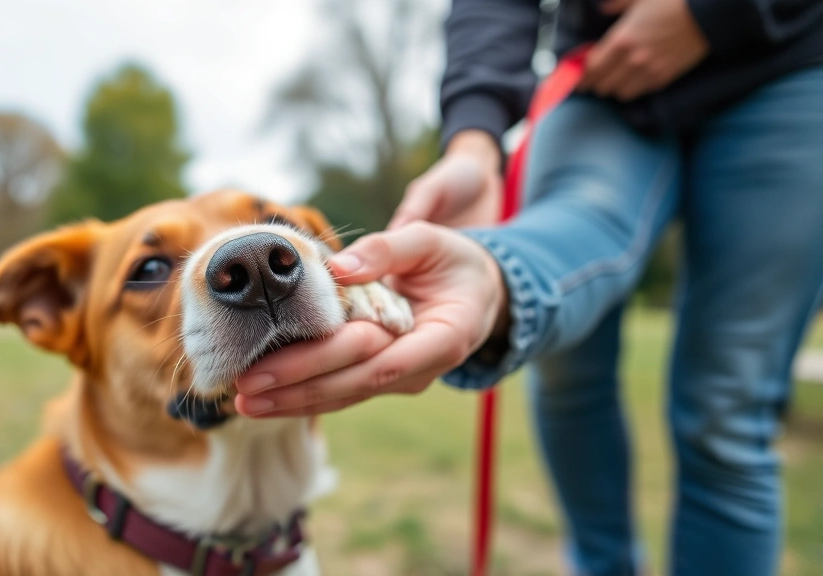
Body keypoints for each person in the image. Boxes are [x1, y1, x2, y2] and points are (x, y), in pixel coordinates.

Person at [234, 0, 823, 574]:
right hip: (606, 76)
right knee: (568, 375)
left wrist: (712, 14)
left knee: (726, 409)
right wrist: (474, 144)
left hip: (790, 68)